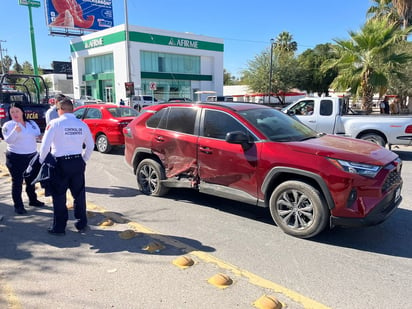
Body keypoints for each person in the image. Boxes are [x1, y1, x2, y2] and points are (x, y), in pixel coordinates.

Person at [39, 97, 94, 235]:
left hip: (60, 163)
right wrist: (84, 159)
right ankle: (81, 223)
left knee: (59, 196)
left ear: (60, 110)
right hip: (77, 162)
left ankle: (59, 228)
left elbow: (45, 147)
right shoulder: (82, 124)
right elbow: (90, 146)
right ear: (73, 109)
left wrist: (41, 162)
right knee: (79, 195)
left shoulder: (54, 123)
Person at [1, 103, 44, 215]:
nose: (15, 114)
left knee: (31, 180)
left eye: (17, 111)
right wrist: (16, 131)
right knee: (17, 182)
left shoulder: (31, 123)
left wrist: (41, 137)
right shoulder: (8, 125)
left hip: (31, 156)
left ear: (22, 112)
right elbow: (8, 140)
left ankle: (33, 200)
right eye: (12, 112)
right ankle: (18, 205)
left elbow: (37, 136)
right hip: (15, 157)